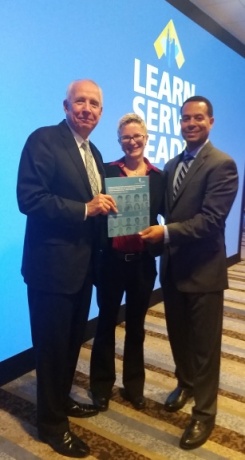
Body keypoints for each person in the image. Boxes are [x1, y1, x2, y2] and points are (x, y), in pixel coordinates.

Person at [16, 79, 117, 458]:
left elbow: (98, 208)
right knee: (51, 348)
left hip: (83, 269)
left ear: (101, 113)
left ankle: (60, 401)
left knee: (71, 344)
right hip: (51, 269)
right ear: (65, 105)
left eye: (94, 103)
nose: (87, 108)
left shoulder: (94, 152)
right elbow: (30, 198)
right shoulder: (44, 140)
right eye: (80, 101)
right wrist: (85, 209)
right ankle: (52, 425)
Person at [140, 96, 238, 450]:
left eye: (198, 118)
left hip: (204, 272)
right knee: (178, 337)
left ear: (210, 122)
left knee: (205, 348)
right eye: (185, 119)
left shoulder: (222, 164)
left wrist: (164, 233)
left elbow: (211, 222)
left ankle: (204, 414)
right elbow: (164, 207)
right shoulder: (171, 164)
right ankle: (185, 383)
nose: (190, 124)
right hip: (174, 268)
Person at [89, 113, 166, 411]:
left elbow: (163, 219)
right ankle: (101, 387)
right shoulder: (106, 171)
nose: (132, 142)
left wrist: (160, 235)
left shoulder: (158, 177)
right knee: (105, 324)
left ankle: (134, 386)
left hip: (142, 265)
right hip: (111, 262)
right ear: (119, 140)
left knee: (136, 326)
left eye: (137, 136)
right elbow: (95, 213)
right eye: (126, 137)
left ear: (146, 139)